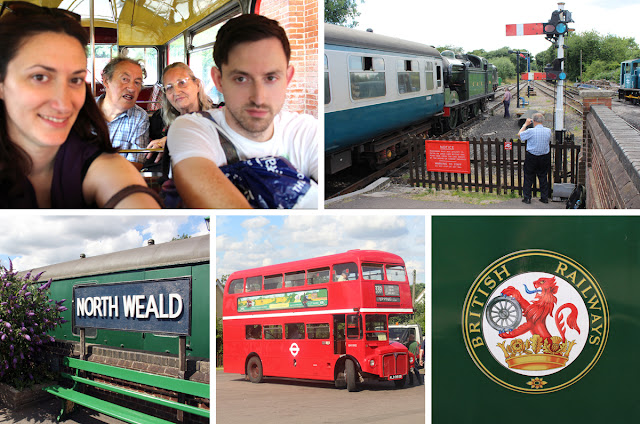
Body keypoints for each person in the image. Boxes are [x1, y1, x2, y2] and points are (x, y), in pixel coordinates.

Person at [0, 2, 161, 208]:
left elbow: (123, 186)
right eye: (40, 77)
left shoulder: (97, 162)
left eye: (75, 80)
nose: (63, 103)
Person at [167, 14, 318, 208]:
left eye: (271, 78)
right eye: (241, 79)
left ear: (287, 78)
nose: (258, 98)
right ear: (219, 80)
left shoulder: (306, 131)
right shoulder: (192, 128)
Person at [146, 62, 216, 164]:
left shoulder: (217, 115)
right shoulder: (159, 119)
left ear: (197, 85)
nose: (176, 92)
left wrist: (175, 139)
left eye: (182, 83)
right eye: (169, 87)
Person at [96, 57, 149, 170]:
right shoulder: (82, 111)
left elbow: (136, 163)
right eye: (125, 79)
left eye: (137, 82)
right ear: (106, 81)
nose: (132, 88)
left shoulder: (139, 117)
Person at [518, 112, 552, 204]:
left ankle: (527, 198)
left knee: (528, 177)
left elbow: (520, 135)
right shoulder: (548, 131)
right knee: (543, 177)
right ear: (543, 120)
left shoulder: (531, 131)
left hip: (532, 157)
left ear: (533, 121)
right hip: (544, 157)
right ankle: (544, 197)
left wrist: (525, 124)